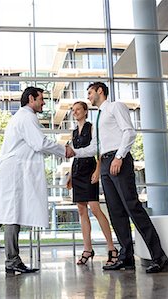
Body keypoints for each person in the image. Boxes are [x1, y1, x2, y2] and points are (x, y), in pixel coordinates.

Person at [0, 86, 73, 274]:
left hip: (10, 172)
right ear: (31, 99)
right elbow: (39, 143)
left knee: (0, 213)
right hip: (13, 173)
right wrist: (63, 150)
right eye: (41, 99)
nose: (44, 102)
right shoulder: (27, 117)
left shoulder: (20, 117)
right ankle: (11, 261)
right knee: (11, 214)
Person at [72, 82, 168, 273]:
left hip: (118, 160)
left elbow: (129, 132)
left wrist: (119, 157)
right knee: (116, 212)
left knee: (132, 207)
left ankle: (159, 257)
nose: (89, 97)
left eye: (90, 93)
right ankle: (126, 257)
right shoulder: (99, 117)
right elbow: (95, 148)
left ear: (100, 91)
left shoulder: (115, 107)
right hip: (106, 163)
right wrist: (72, 152)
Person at [66, 101, 118, 266]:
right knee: (81, 210)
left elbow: (97, 150)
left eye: (78, 109)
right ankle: (87, 249)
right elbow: (74, 155)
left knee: (95, 208)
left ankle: (112, 248)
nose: (75, 113)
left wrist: (97, 170)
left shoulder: (92, 127)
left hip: (89, 169)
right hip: (76, 171)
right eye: (73, 110)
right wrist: (69, 175)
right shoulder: (74, 132)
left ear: (85, 111)